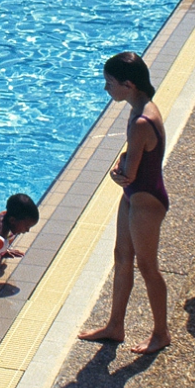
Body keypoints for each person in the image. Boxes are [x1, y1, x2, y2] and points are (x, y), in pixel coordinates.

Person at [79, 52, 171, 354]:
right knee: (121, 257)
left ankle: (161, 333)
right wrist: (125, 166)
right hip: (134, 198)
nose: (107, 89)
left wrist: (118, 172)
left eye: (110, 83)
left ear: (128, 84)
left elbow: (129, 174)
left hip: (147, 201)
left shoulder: (143, 119)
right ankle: (115, 326)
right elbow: (136, 159)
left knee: (148, 267)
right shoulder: (139, 108)